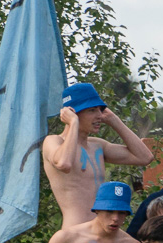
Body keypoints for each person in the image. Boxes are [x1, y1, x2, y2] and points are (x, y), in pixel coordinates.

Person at [42, 81, 154, 229]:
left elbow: (145, 157)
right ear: (72, 113)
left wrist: (114, 120)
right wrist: (73, 123)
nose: (99, 116)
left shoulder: (97, 146)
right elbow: (64, 163)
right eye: (92, 110)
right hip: (76, 233)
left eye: (100, 110)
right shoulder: (52, 141)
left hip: (104, 233)